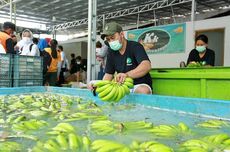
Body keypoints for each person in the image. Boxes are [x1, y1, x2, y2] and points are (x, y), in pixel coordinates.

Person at [96, 22, 152, 94]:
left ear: (122, 34)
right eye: (108, 39)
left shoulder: (135, 46)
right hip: (121, 86)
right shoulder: (111, 51)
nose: (111, 41)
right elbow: (108, 74)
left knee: (143, 90)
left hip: (139, 85)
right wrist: (101, 87)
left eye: (113, 38)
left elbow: (146, 66)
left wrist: (127, 75)